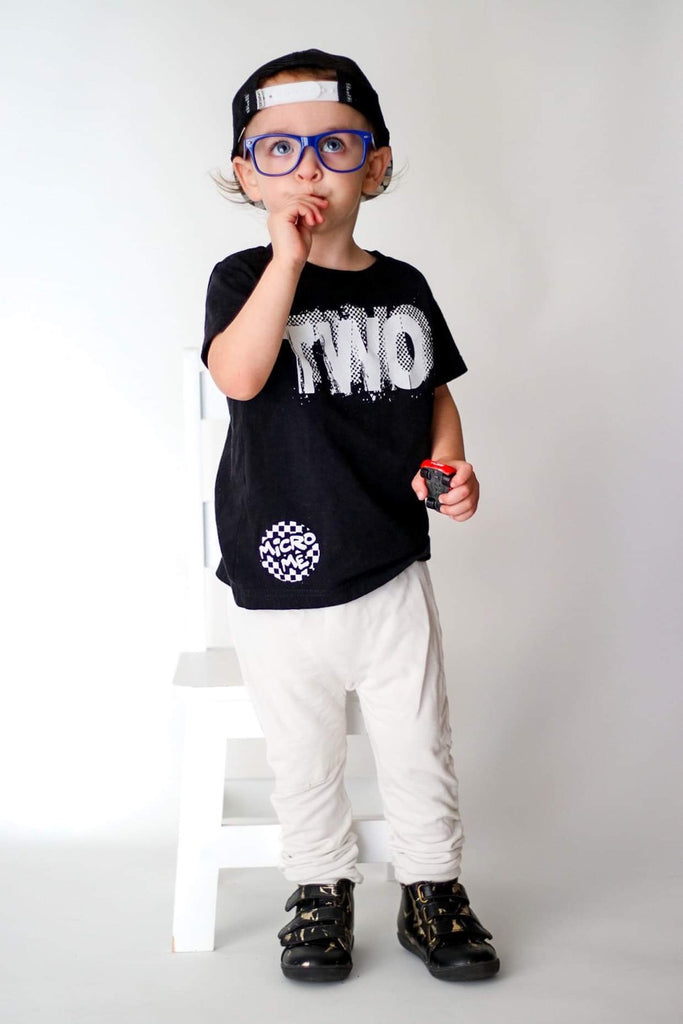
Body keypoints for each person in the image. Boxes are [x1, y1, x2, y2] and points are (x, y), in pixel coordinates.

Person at [202, 48, 499, 984]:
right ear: (247, 173)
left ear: (374, 165)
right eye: (278, 151)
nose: (308, 170)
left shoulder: (401, 285)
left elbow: (434, 393)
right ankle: (318, 885)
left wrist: (448, 464)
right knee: (303, 752)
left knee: (418, 742)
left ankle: (431, 886)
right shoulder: (241, 278)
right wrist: (287, 261)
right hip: (278, 575)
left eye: (333, 147)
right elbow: (238, 375)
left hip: (388, 565)